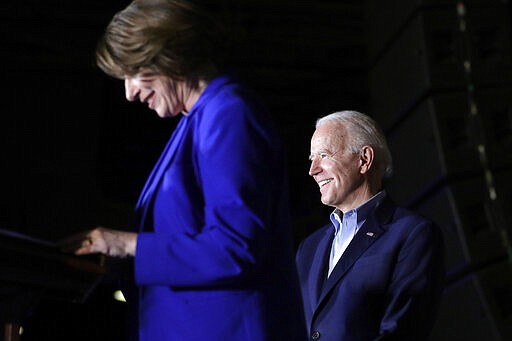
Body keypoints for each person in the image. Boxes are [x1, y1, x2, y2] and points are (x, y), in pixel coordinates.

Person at [66, 0, 306, 340]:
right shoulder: (198, 121)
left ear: (170, 56)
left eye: (134, 73)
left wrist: (124, 244)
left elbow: (235, 249)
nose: (130, 93)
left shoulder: (228, 114)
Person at [295, 110, 445, 340]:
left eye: (324, 155)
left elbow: (402, 331)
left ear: (364, 159)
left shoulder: (412, 234)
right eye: (311, 159)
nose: (312, 170)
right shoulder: (309, 248)